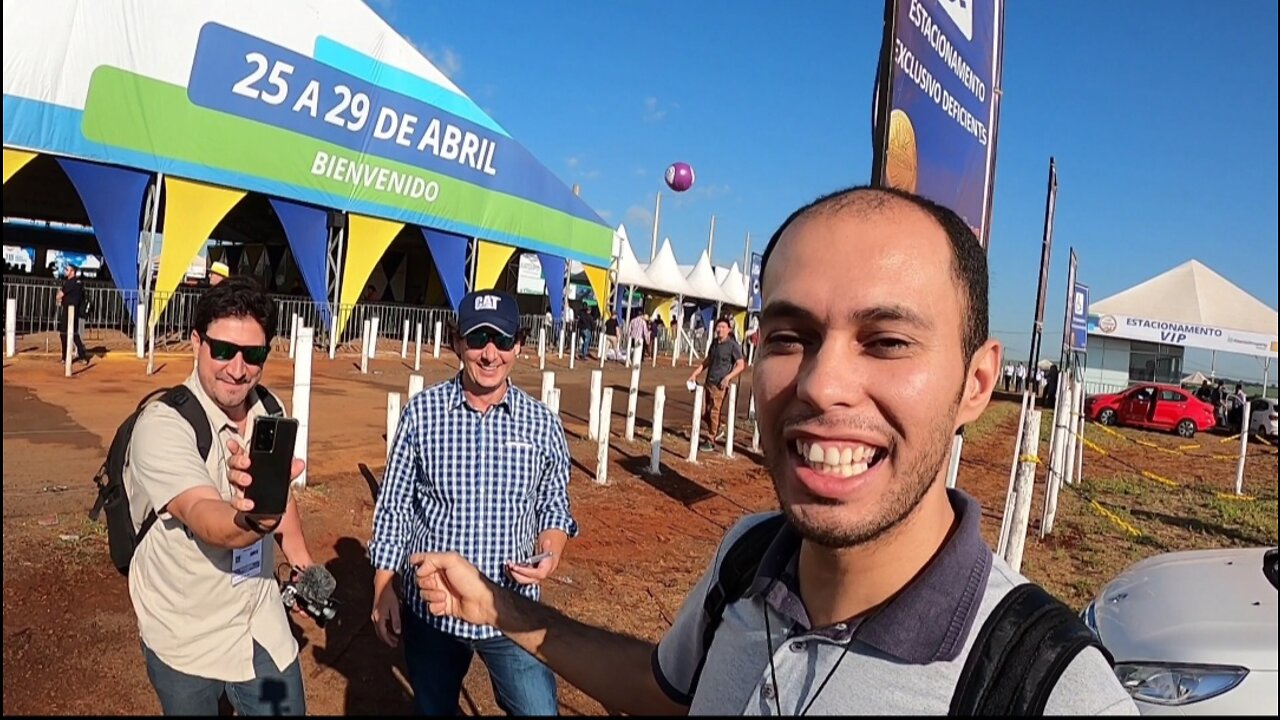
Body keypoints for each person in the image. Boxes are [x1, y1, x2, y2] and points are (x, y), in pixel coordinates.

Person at [404, 187, 1137, 715]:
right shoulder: (751, 556)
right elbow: (668, 692)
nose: (822, 385)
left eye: (886, 341)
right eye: (790, 337)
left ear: (977, 382)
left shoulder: (1045, 687)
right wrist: (496, 605)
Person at [369, 289, 577, 715]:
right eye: (478, 338)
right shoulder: (421, 414)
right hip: (434, 610)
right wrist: (383, 586)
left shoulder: (542, 424)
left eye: (501, 341)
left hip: (511, 608)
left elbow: (554, 503)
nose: (489, 354)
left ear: (518, 345)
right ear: (457, 342)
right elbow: (395, 506)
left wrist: (550, 552)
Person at [125, 276, 316, 715]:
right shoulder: (163, 425)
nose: (237, 368)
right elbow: (206, 518)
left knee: (282, 710)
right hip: (184, 635)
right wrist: (253, 520)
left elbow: (279, 498)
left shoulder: (269, 412)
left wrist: (302, 565)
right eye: (224, 350)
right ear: (197, 343)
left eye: (254, 354)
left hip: (260, 622)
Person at [687, 317, 745, 452]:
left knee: (714, 411)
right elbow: (707, 361)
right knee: (702, 411)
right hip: (708, 382)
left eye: (723, 327)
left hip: (720, 385)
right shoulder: (714, 343)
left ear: (729, 330)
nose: (720, 330)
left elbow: (740, 365)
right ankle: (716, 428)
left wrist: (728, 378)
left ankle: (711, 439)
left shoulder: (732, 346)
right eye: (718, 327)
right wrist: (695, 373)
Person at [56, 264, 90, 364]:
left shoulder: (70, 283)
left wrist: (59, 297)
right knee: (74, 334)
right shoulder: (79, 283)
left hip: (68, 311)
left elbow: (59, 295)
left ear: (72, 272)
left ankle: (65, 357)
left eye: (67, 270)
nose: (65, 271)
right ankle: (82, 357)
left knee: (64, 334)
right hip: (75, 311)